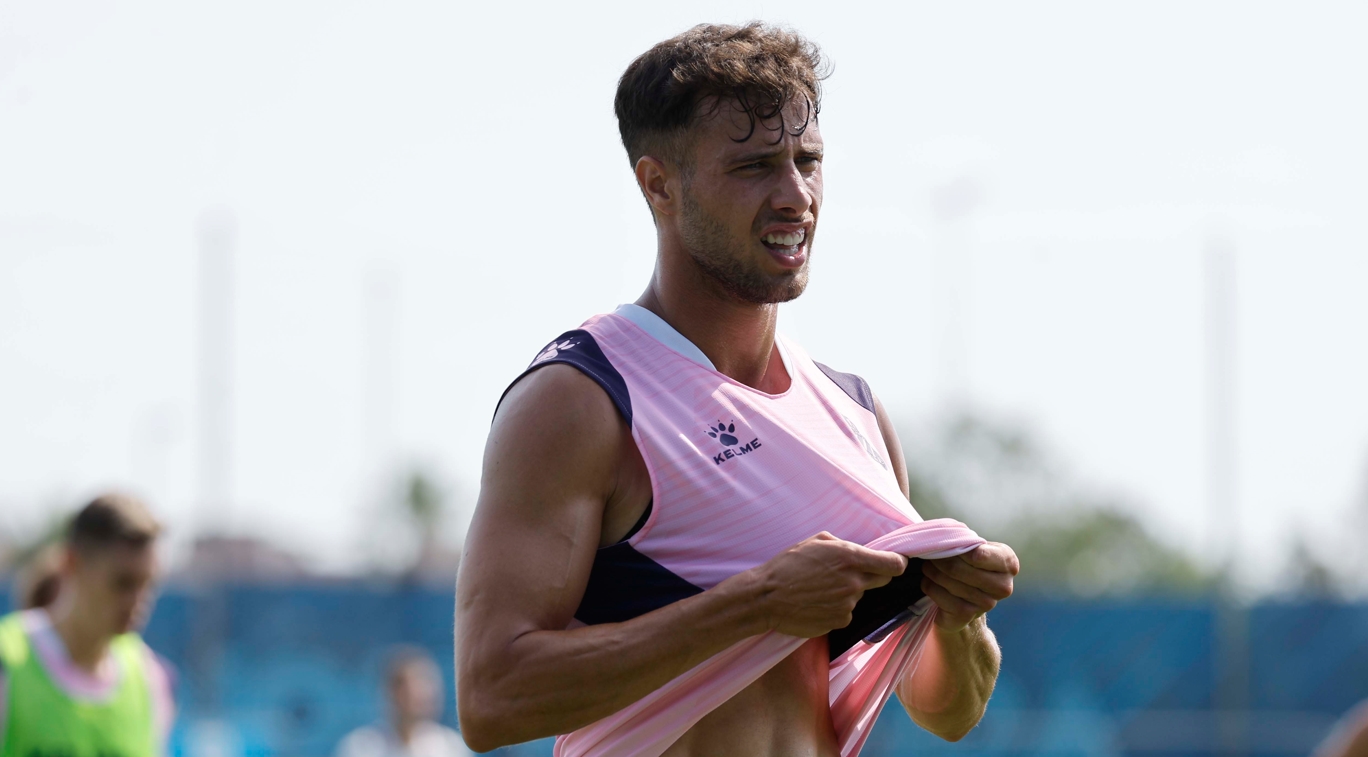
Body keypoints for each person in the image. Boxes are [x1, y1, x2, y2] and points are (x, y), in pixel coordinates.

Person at [455, 22, 1020, 756]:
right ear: (659, 185)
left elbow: (947, 713)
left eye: (808, 160)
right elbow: (492, 698)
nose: (796, 196)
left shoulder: (855, 413)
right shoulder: (582, 398)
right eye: (755, 167)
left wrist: (958, 616)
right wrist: (758, 603)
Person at [0, 493, 175, 757]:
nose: (138, 601)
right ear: (72, 564)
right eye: (123, 583)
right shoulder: (8, 662)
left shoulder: (150, 680)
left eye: (148, 584)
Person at [334, 647, 472, 757]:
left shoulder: (451, 746)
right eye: (415, 687)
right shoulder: (360, 747)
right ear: (391, 692)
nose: (425, 695)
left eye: (428, 685)